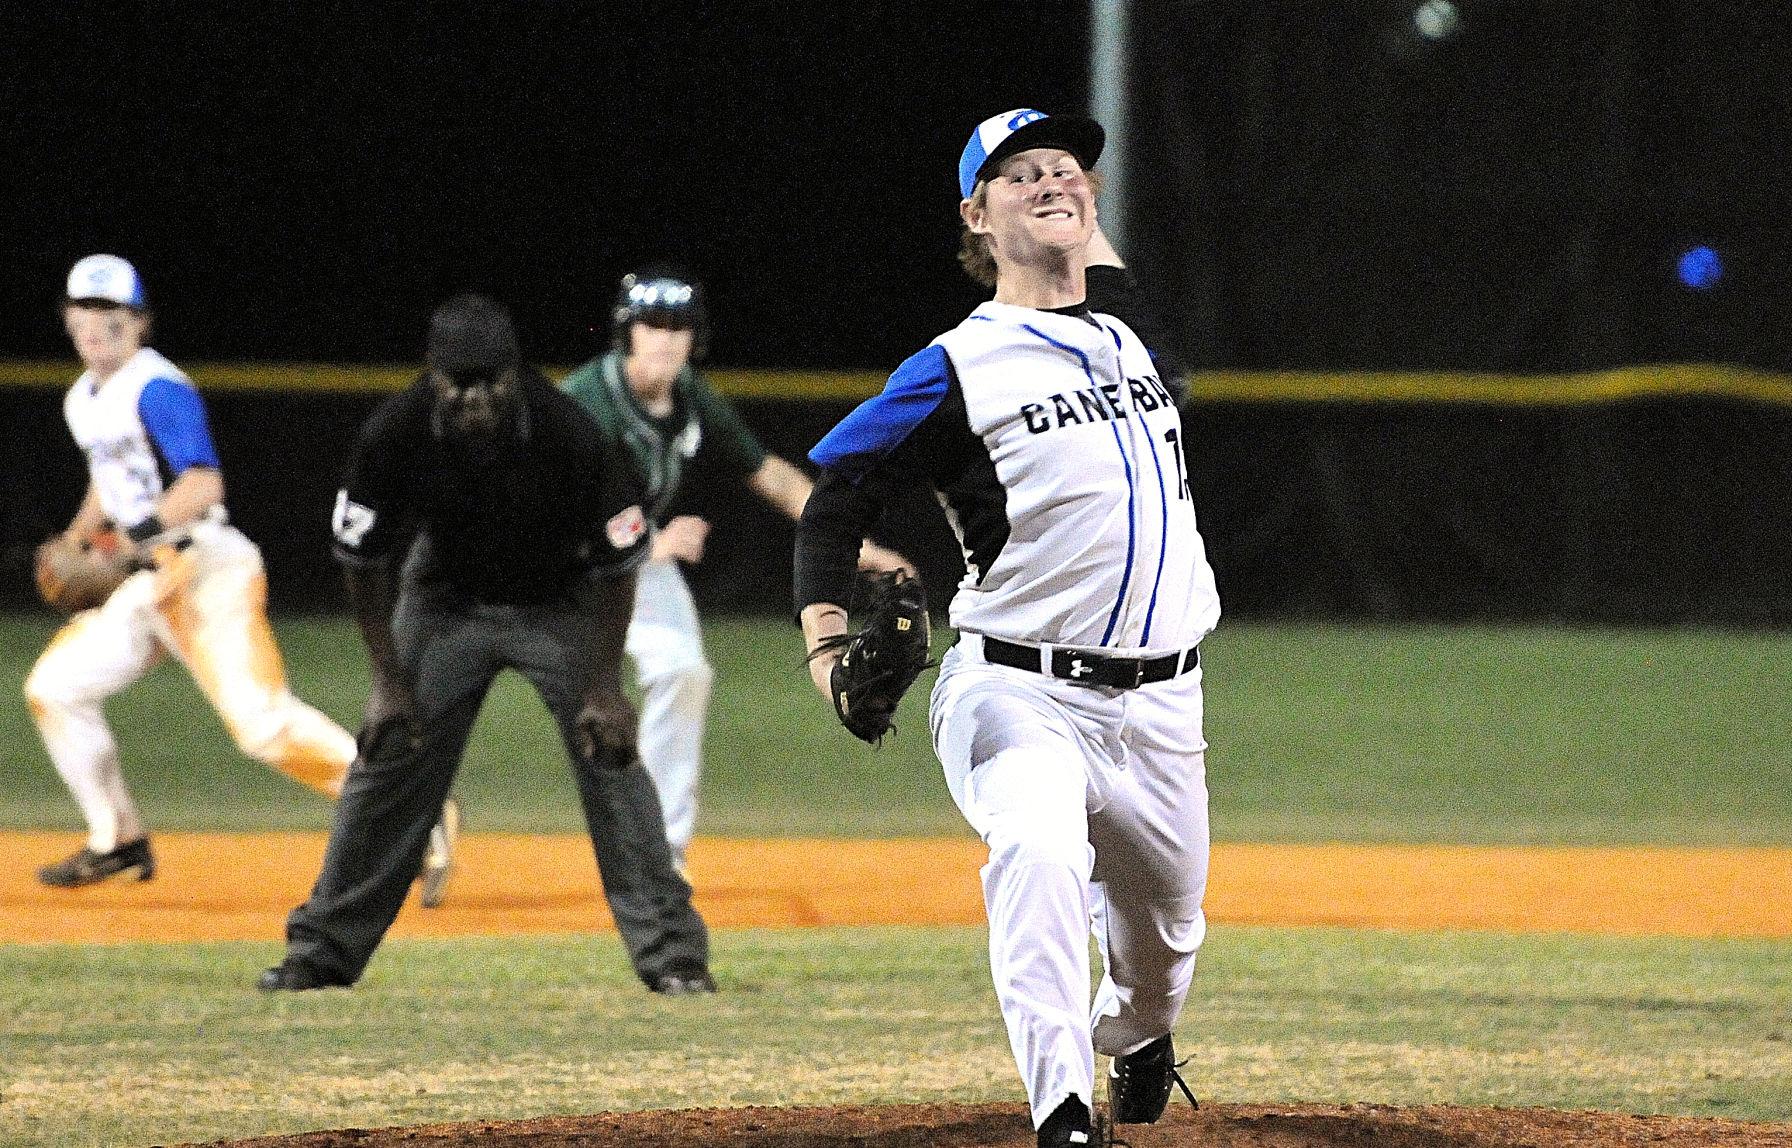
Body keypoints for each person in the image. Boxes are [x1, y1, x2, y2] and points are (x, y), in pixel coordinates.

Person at [794, 111, 1218, 1146]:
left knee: (1159, 964)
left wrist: (1072, 197)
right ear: (974, 215)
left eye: (1065, 169)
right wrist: (821, 648)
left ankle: (1131, 1035)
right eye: (1016, 174)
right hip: (1015, 688)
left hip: (1162, 705)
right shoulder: (954, 366)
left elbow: (1086, 237)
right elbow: (835, 495)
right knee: (1033, 849)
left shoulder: (1130, 337)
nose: (1049, 181)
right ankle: (1061, 1113)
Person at [260, 293, 713, 996]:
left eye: (489, 382)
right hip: (445, 601)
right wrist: (386, 683)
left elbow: (619, 563)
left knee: (610, 752)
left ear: (516, 372)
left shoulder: (569, 432)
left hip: (559, 600)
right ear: (431, 374)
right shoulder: (397, 430)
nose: (472, 398)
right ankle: (318, 955)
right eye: (456, 383)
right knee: (386, 758)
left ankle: (674, 958)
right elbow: (361, 560)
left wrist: (603, 687)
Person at [23, 255, 455, 907]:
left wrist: (118, 550)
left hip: (206, 570)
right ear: (68, 316)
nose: (95, 326)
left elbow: (202, 484)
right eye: (84, 311)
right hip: (149, 584)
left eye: (112, 315)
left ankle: (412, 806)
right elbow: (109, 483)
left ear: (139, 323)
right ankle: (118, 837)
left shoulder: (155, 386)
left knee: (261, 725)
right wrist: (79, 536)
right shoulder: (83, 397)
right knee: (55, 689)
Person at [561, 267, 911, 869]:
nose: (667, 339)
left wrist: (851, 541)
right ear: (627, 333)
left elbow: (769, 473)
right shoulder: (587, 402)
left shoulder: (688, 395)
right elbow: (547, 507)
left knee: (682, 671)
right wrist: (646, 540)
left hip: (635, 562)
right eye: (653, 324)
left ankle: (657, 855)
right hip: (563, 565)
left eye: (681, 327)